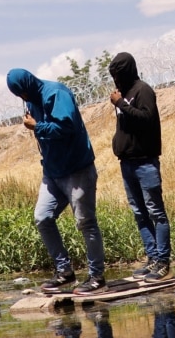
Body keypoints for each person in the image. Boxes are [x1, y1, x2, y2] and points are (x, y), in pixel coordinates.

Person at [7, 68, 107, 295]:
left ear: (28, 84)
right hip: (53, 173)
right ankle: (65, 271)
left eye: (21, 93)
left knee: (86, 222)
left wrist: (37, 127)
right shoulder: (32, 101)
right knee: (42, 217)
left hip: (77, 170)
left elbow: (67, 127)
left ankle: (96, 276)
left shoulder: (56, 93)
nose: (21, 98)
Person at [109, 52, 171, 283]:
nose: (115, 79)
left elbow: (146, 119)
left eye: (118, 74)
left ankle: (163, 261)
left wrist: (121, 104)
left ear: (127, 71)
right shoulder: (123, 94)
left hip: (145, 162)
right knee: (139, 213)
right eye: (112, 75)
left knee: (156, 213)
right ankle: (153, 258)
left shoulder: (142, 90)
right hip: (127, 163)